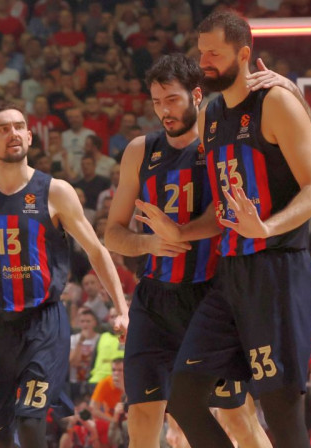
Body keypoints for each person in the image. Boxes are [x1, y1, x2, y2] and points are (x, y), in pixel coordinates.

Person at [135, 11, 311, 448]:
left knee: (281, 417)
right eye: (201, 51)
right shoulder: (210, 114)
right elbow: (221, 210)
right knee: (183, 397)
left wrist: (266, 225)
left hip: (277, 271)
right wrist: (180, 231)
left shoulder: (276, 102)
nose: (204, 61)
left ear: (243, 54)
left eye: (214, 53)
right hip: (232, 273)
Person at [0, 100, 129, 448]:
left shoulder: (56, 191)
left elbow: (96, 250)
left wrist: (122, 309)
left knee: (32, 422)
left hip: (42, 323)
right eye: (3, 129)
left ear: (30, 137)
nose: (12, 134)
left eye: (18, 127)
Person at [105, 53, 270, 448]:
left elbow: (226, 212)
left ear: (196, 95)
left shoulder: (219, 146)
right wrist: (149, 242)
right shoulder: (140, 151)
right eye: (157, 102)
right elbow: (112, 233)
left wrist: (180, 233)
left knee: (236, 415)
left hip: (209, 297)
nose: (165, 110)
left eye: (173, 100)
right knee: (143, 412)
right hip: (154, 298)